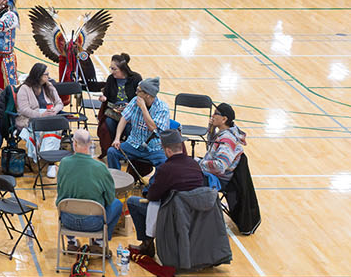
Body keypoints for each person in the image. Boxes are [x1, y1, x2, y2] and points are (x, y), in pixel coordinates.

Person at [125, 134, 209, 265]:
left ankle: (147, 244)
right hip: (193, 214)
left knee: (133, 202)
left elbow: (153, 196)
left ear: (168, 151)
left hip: (171, 215)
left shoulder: (166, 169)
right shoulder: (195, 165)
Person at [56, 128, 124, 240]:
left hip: (67, 220)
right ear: (90, 144)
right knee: (117, 203)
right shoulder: (101, 168)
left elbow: (60, 193)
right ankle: (100, 242)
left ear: (74, 143)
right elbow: (110, 198)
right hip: (93, 222)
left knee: (64, 203)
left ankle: (71, 241)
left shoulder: (63, 163)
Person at [106, 77, 176, 173]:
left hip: (154, 148)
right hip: (133, 144)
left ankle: (150, 187)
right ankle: (116, 181)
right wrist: (117, 138)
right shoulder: (135, 100)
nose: (136, 93)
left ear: (147, 95)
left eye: (139, 91)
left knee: (165, 165)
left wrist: (143, 107)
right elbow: (124, 118)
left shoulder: (162, 108)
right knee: (112, 152)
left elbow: (153, 128)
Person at [14, 63, 64, 159]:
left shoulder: (49, 86)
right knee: (49, 129)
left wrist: (54, 110)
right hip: (31, 119)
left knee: (54, 128)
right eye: (46, 74)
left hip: (49, 116)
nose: (48, 76)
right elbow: (24, 109)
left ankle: (48, 157)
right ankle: (47, 157)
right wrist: (40, 115)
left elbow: (59, 103)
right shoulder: (24, 89)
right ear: (38, 75)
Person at [199, 103, 245, 187]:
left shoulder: (228, 140)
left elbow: (219, 167)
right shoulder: (223, 133)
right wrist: (211, 128)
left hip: (217, 179)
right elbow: (212, 145)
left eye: (216, 113)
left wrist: (198, 163)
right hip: (212, 173)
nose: (212, 116)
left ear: (224, 119)